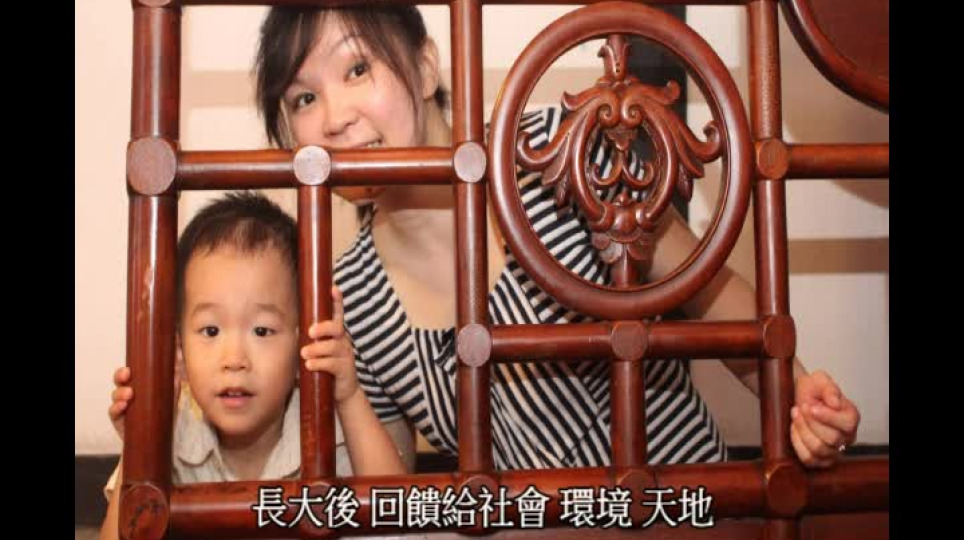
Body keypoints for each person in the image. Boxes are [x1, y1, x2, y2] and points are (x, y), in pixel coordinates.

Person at [250, 4, 860, 470]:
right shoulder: (351, 294)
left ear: (427, 64)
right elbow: (396, 495)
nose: (334, 118)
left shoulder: (552, 151)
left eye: (358, 68)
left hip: (687, 511)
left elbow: (707, 292)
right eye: (304, 98)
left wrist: (799, 393)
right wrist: (347, 394)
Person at [100, 192, 406, 540]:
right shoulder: (171, 433)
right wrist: (140, 443)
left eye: (262, 331)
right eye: (211, 331)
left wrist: (349, 397)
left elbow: (400, 519)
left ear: (302, 345)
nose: (234, 359)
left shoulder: (324, 428)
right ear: (179, 351)